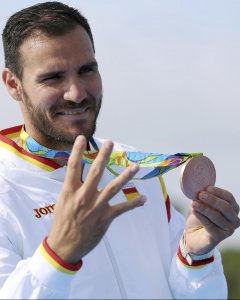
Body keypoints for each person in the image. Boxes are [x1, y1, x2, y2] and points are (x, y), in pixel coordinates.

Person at [0, 1, 239, 299]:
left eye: (86, 70)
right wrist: (58, 254)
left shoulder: (136, 168)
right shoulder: (5, 187)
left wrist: (195, 256)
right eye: (53, 77)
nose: (76, 93)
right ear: (13, 84)